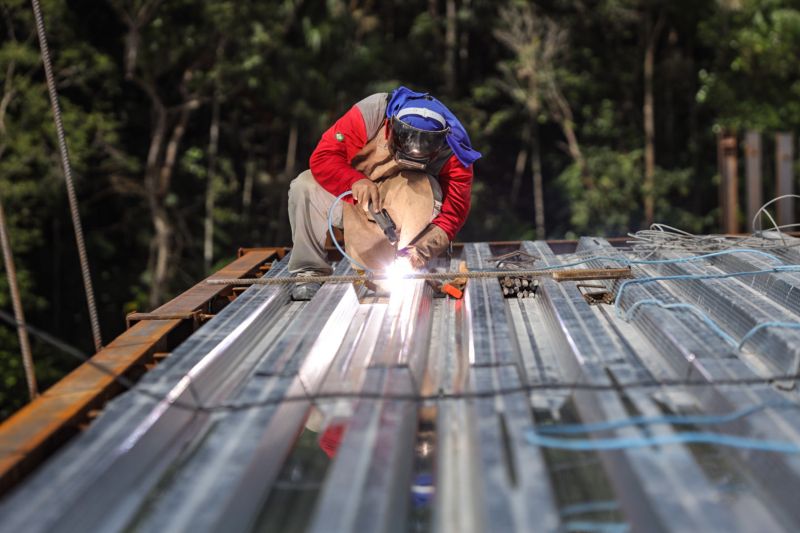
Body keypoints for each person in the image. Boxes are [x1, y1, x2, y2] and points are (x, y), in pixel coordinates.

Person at [287, 86, 481, 300]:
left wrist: (420, 252)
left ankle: (403, 262)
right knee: (304, 185)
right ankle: (309, 271)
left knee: (422, 189)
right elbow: (323, 157)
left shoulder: (455, 149)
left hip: (399, 208)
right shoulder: (372, 112)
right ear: (391, 127)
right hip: (351, 192)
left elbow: (454, 213)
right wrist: (355, 181)